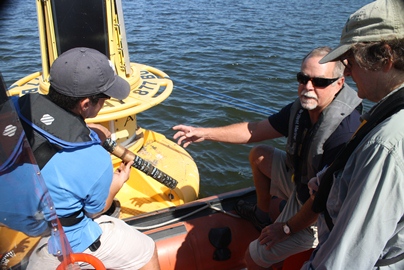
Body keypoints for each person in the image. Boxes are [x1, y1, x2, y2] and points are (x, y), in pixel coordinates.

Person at [173, 46, 362, 268]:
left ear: (339, 83)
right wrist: (204, 133)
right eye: (303, 78)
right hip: (301, 183)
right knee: (260, 156)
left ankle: (289, 235)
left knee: (254, 255)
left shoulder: (344, 133)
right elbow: (254, 130)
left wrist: (285, 228)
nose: (308, 87)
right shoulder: (303, 108)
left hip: (319, 212)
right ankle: (261, 215)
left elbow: (321, 201)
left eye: (319, 82)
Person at [16, 47, 160, 269]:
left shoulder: (15, 105)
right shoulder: (94, 160)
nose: (106, 102)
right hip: (58, 239)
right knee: (147, 250)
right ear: (85, 104)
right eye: (104, 98)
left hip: (14, 212)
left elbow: (45, 131)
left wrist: (83, 127)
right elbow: (97, 209)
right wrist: (116, 183)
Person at [302, 0, 404, 269]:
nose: (346, 71)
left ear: (385, 57)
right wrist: (329, 181)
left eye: (350, 60)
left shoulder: (387, 145)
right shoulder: (389, 113)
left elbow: (348, 259)